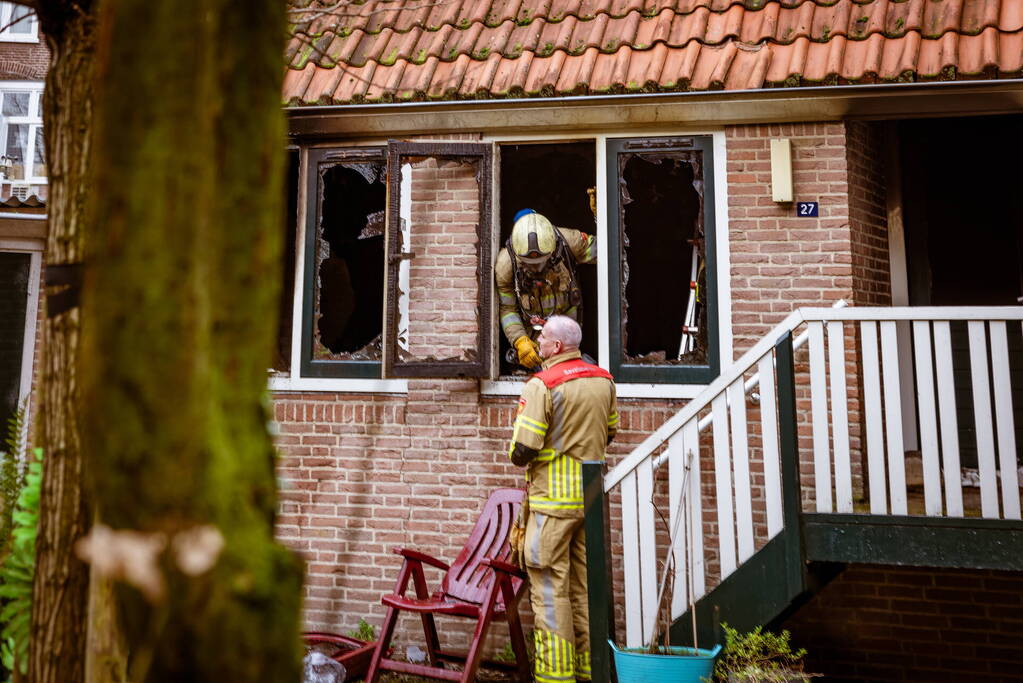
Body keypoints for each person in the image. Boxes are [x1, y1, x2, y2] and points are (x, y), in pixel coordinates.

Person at [506, 315, 618, 683]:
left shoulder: (541, 385)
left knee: (551, 590)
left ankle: (556, 677)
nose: (537, 346)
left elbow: (523, 449)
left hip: (551, 503)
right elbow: (611, 430)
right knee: (584, 587)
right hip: (589, 500)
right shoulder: (603, 380)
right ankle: (588, 670)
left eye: (541, 341)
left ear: (556, 347)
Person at [495, 209, 596, 369]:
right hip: (536, 343)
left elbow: (607, 250)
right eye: (529, 263)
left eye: (542, 261)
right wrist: (520, 341)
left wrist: (602, 216)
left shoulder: (569, 242)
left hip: (569, 336)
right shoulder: (505, 267)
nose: (536, 268)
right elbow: (508, 310)